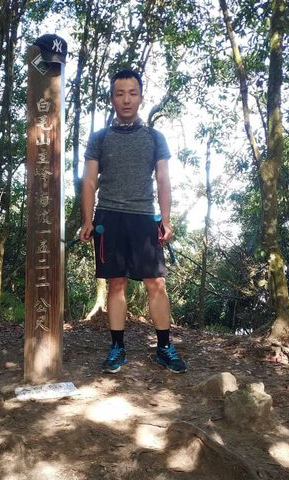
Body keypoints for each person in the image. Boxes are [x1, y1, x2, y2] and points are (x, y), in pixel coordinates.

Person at [79, 69, 187, 374]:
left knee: (156, 283)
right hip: (109, 216)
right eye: (120, 93)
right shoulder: (100, 138)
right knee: (116, 283)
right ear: (112, 98)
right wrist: (87, 219)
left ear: (140, 97)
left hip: (144, 218)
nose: (126, 99)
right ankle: (117, 348)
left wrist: (166, 219)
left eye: (132, 93)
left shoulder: (154, 137)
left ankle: (164, 348)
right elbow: (89, 181)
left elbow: (163, 179)